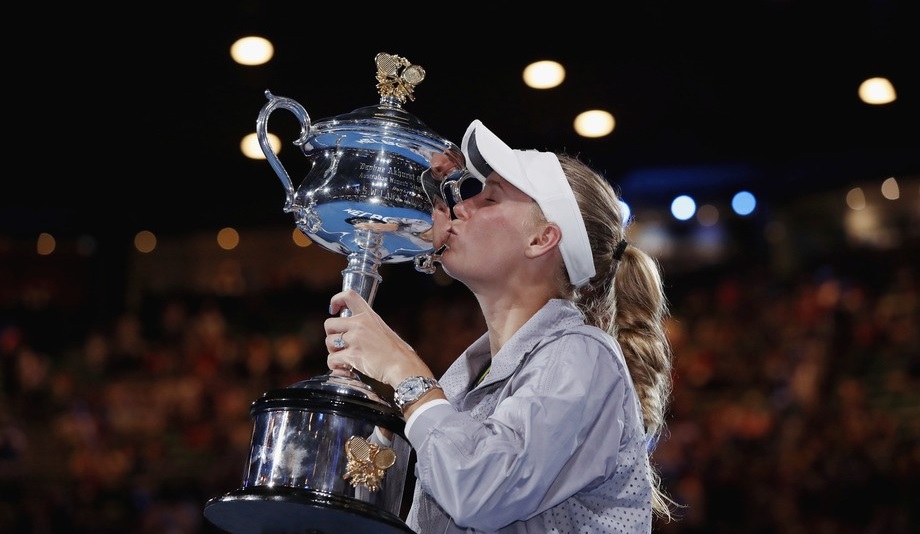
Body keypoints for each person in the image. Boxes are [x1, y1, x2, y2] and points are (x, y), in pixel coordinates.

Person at [324, 119, 676, 533]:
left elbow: (480, 491)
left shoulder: (584, 353)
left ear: (541, 239)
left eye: (489, 198)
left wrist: (405, 373)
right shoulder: (463, 384)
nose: (461, 206)